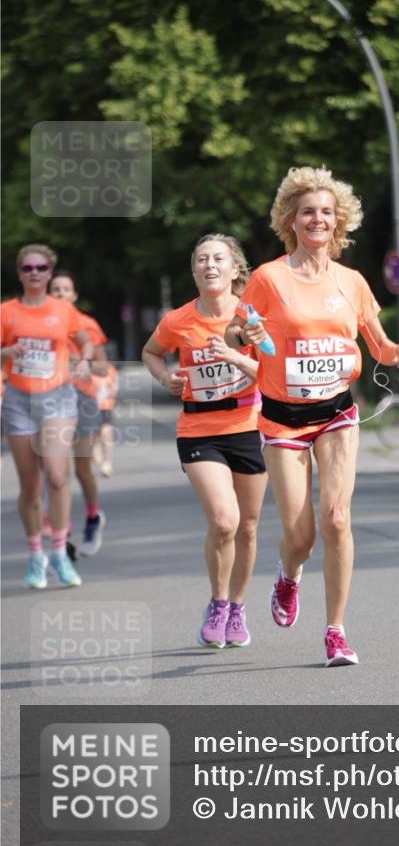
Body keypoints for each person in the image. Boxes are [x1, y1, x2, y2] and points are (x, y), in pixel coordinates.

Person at [225, 166, 399, 667]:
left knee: (336, 518)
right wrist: (241, 337)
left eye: (327, 212)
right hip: (283, 419)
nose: (318, 219)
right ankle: (289, 575)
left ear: (339, 222)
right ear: (291, 219)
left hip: (336, 413)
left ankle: (335, 631)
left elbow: (378, 344)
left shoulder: (351, 282)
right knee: (302, 536)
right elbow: (234, 332)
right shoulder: (268, 278)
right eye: (308, 211)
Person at [142, 234, 267, 648]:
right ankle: (217, 602)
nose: (210, 265)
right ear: (193, 270)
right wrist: (165, 378)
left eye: (218, 258)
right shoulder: (178, 320)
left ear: (235, 269)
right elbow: (151, 352)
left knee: (248, 527)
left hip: (248, 425)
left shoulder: (252, 317)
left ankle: (237, 607)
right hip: (198, 429)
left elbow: (273, 370)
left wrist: (236, 356)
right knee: (224, 520)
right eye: (201, 259)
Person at [1, 245, 93, 589]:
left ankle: (58, 551)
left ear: (50, 271)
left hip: (58, 399)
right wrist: (6, 352)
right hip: (18, 401)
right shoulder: (6, 312)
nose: (35, 272)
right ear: (19, 273)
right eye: (28, 268)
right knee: (30, 485)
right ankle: (34, 553)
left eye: (41, 267)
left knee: (56, 477)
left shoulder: (63, 310)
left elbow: (83, 342)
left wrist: (83, 360)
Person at [49, 271, 108, 556]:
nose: (60, 294)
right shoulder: (41, 325)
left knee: (82, 469)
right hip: (48, 403)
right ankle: (64, 533)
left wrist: (77, 362)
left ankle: (93, 516)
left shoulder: (87, 324)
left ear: (74, 296)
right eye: (55, 290)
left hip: (82, 401)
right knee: (59, 472)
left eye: (65, 290)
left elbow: (102, 368)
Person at [93, 362, 119, 477]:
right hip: (89, 405)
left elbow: (115, 387)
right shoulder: (86, 368)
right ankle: (96, 447)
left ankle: (107, 463)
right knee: (95, 432)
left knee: (106, 431)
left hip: (105, 406)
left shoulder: (110, 369)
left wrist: (110, 391)